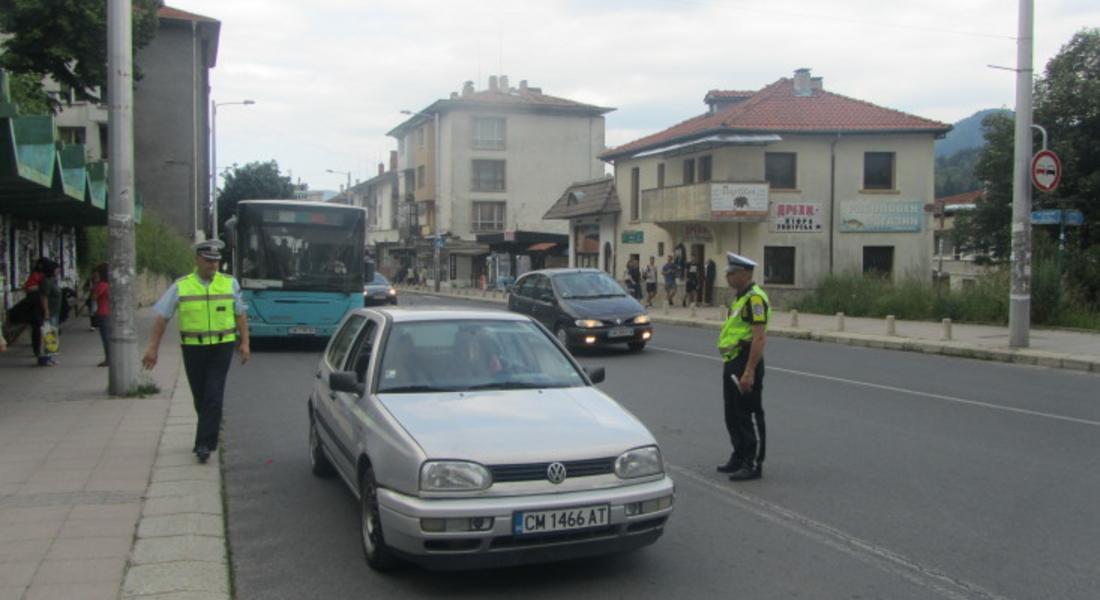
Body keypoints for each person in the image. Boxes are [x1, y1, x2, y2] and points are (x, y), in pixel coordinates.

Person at [142, 240, 251, 464]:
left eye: (216, 261)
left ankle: (204, 444)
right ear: (197, 260)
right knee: (200, 396)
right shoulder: (181, 285)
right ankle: (210, 428)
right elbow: (163, 317)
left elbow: (240, 315)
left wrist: (245, 344)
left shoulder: (229, 284)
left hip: (222, 346)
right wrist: (153, 348)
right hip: (193, 348)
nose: (213, 265)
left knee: (213, 392)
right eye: (208, 260)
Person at [716, 252, 770, 481]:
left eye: (732, 273)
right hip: (732, 361)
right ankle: (738, 455)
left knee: (748, 412)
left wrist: (749, 371)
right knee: (733, 413)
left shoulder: (755, 299)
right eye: (728, 273)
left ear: (745, 274)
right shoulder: (740, 298)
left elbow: (758, 338)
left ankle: (753, 462)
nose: (728, 277)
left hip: (746, 361)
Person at [91, 263, 110, 367]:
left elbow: (94, 297)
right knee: (108, 336)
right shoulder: (110, 283)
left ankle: (108, 358)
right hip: (109, 312)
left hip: (103, 312)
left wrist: (95, 284)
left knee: (105, 337)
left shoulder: (102, 284)